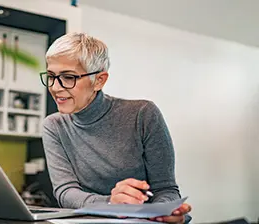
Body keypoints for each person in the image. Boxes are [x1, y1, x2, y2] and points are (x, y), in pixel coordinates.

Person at [40, 32, 192, 224]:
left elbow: (166, 190)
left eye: (68, 77)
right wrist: (111, 204)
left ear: (99, 80)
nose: (55, 87)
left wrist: (161, 212)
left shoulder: (143, 114)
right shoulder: (54, 126)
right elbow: (66, 192)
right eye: (51, 76)